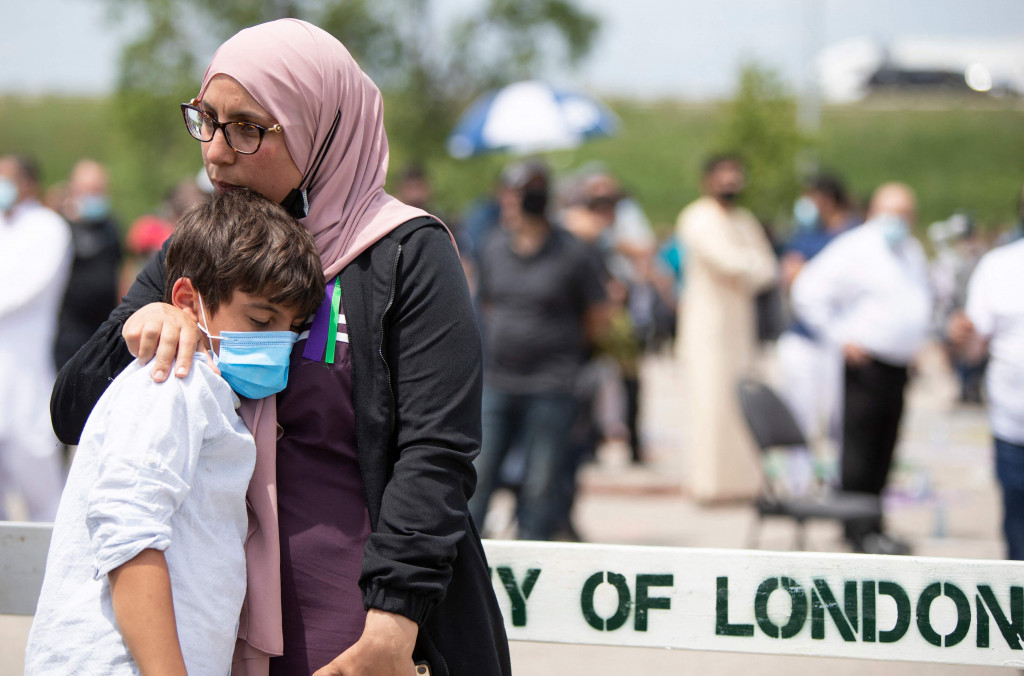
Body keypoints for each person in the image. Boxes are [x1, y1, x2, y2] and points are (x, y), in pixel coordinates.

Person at [49, 18, 510, 676]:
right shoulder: (205, 247)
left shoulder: (405, 254)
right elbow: (72, 412)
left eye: (247, 127)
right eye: (205, 119)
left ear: (320, 128)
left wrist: (391, 626)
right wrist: (138, 327)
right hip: (207, 632)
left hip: (356, 631)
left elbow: (436, 452)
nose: (215, 152)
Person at [26, 189, 324, 675]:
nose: (277, 343)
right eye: (260, 319)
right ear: (186, 300)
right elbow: (129, 533)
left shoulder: (213, 395)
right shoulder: (172, 382)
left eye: (291, 329)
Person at [469, 158, 608, 541]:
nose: (515, 203)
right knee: (478, 479)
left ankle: (532, 563)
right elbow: (486, 304)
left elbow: (598, 316)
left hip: (552, 384)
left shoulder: (574, 253)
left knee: (540, 484)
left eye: (525, 194)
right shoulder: (492, 246)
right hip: (498, 382)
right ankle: (466, 569)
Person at [792, 182, 932, 555]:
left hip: (897, 364)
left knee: (886, 447)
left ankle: (874, 523)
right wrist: (839, 337)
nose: (899, 220)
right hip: (865, 364)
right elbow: (807, 291)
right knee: (859, 449)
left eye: (905, 213)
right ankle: (855, 527)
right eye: (892, 212)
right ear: (873, 211)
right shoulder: (856, 247)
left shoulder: (910, 249)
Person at [676, 154, 778, 503]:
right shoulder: (697, 217)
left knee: (740, 404)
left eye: (736, 176)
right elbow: (727, 261)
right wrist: (748, 266)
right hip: (708, 328)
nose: (730, 183)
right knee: (709, 404)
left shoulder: (744, 220)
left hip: (740, 328)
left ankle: (742, 484)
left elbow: (766, 268)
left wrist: (747, 267)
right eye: (724, 176)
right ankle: (708, 485)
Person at [0, 155, 71, 521]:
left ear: (27, 183)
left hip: (27, 377)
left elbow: (23, 289)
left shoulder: (48, 227)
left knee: (43, 497)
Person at [949, 234, 1024, 560]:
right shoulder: (999, 265)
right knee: (1018, 530)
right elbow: (973, 350)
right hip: (1013, 424)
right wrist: (960, 337)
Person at [776, 174, 861, 456]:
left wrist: (809, 274)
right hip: (805, 336)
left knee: (839, 420)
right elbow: (790, 275)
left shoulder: (854, 235)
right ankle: (801, 481)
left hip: (842, 340)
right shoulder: (805, 235)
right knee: (803, 418)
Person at [54, 158, 124, 369]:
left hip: (103, 327)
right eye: (89, 190)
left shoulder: (111, 226)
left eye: (98, 190)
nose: (95, 196)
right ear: (74, 190)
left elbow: (120, 269)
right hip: (67, 329)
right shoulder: (60, 228)